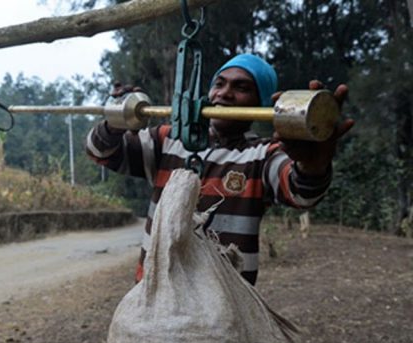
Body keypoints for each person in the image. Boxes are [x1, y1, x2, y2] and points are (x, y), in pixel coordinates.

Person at [85, 53, 353, 285]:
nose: (224, 94)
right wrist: (115, 123)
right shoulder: (168, 140)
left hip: (225, 304)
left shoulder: (263, 155)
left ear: (259, 104)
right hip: (156, 290)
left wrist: (314, 164)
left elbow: (302, 192)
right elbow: (99, 151)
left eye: (241, 87)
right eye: (219, 84)